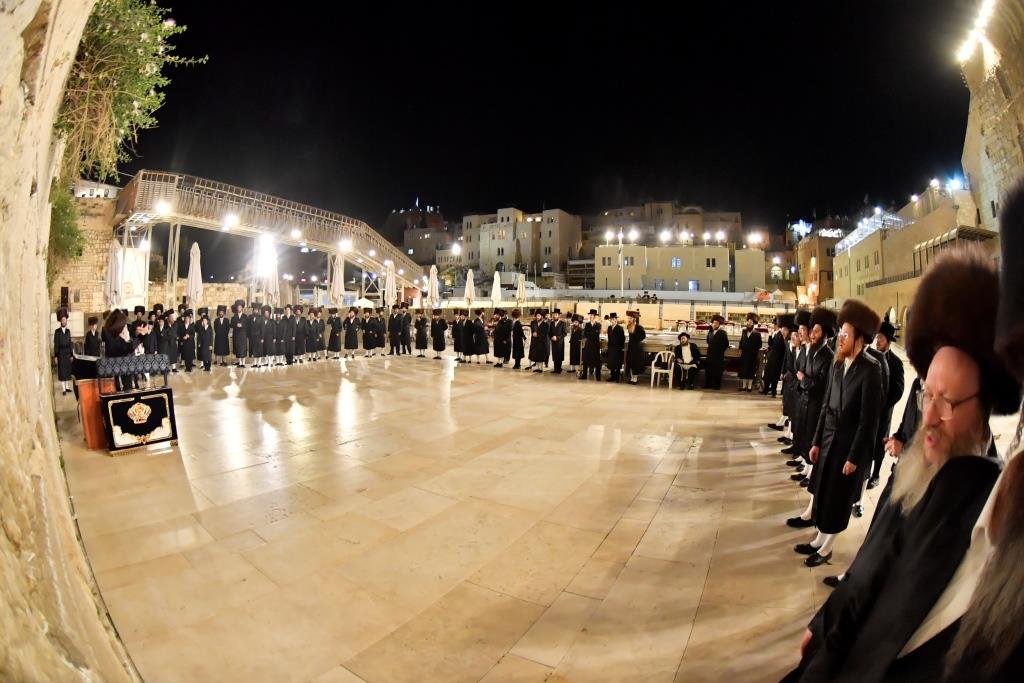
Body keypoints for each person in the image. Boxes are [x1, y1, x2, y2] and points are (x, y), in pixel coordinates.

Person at [789, 247, 1021, 682]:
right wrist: (824, 624)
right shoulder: (917, 471)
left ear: (984, 409)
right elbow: (872, 561)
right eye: (926, 396)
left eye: (947, 402)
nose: (929, 416)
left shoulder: (987, 503)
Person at [793, 299, 883, 568]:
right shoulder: (837, 363)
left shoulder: (871, 369)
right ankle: (819, 538)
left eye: (845, 334)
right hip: (829, 439)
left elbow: (869, 422)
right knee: (823, 492)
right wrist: (817, 441)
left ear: (859, 339)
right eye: (840, 333)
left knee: (837, 499)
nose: (840, 338)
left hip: (847, 445)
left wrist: (854, 458)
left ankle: (827, 548)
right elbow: (824, 408)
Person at [786, 307, 836, 511]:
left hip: (816, 404)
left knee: (812, 438)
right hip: (805, 401)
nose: (812, 333)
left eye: (815, 330)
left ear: (824, 333)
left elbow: (818, 383)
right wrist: (804, 380)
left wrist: (804, 380)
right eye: (812, 330)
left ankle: (809, 471)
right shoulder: (813, 352)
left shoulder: (827, 355)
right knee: (803, 434)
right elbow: (802, 373)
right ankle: (806, 468)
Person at [865, 320, 905, 490]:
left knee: (880, 442)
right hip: (870, 409)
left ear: (888, 341)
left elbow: (899, 389)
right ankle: (866, 471)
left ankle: (876, 474)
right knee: (868, 440)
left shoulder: (896, 362)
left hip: (884, 411)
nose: (877, 341)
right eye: (877, 337)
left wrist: (883, 404)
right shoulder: (872, 356)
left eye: (880, 338)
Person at [782, 310, 812, 456]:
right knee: (796, 420)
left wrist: (802, 380)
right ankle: (796, 447)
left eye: (802, 329)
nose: (799, 333)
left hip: (806, 394)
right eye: (798, 330)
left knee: (804, 427)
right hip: (798, 390)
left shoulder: (812, 350)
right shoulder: (803, 349)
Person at [737, 312, 763, 392]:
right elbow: (741, 341)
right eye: (748, 321)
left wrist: (753, 350)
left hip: (752, 355)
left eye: (751, 322)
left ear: (753, 324)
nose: (749, 323)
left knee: (751, 370)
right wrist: (740, 349)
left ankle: (749, 387)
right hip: (744, 354)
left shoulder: (757, 334)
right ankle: (744, 386)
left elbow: (759, 344)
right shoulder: (744, 331)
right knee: (744, 370)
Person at [704, 314, 728, 389]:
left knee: (717, 371)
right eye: (713, 323)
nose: (714, 324)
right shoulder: (710, 332)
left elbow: (726, 344)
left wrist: (719, 350)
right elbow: (708, 341)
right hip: (710, 354)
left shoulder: (723, 333)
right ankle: (707, 385)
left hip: (718, 355)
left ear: (719, 324)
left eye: (716, 323)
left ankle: (716, 386)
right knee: (708, 370)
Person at [53, 309, 74, 394]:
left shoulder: (68, 331)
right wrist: (56, 356)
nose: (64, 321)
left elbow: (70, 343)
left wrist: (71, 354)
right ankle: (63, 389)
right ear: (60, 321)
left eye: (65, 319)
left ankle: (68, 387)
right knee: (62, 371)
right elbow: (56, 344)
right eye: (62, 320)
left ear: (66, 321)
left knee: (67, 371)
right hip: (61, 354)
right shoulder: (57, 332)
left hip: (67, 353)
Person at [625, 310, 646, 385]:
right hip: (631, 346)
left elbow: (643, 336)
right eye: (629, 318)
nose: (629, 319)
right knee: (630, 362)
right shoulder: (628, 326)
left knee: (636, 363)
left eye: (630, 318)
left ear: (634, 319)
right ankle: (631, 377)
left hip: (637, 347)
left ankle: (635, 378)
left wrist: (636, 339)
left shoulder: (640, 327)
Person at [581, 309, 602, 381]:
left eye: (592, 315)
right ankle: (584, 375)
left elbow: (596, 334)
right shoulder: (587, 324)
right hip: (588, 345)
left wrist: (591, 334)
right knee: (585, 359)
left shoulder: (598, 325)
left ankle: (598, 376)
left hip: (595, 345)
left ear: (595, 316)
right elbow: (585, 334)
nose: (591, 316)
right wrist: (592, 333)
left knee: (597, 361)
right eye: (590, 315)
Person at [606, 312, 625, 382]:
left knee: (617, 364)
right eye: (611, 319)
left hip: (617, 348)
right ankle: (612, 376)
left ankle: (617, 377)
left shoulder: (620, 328)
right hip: (611, 348)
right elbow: (609, 337)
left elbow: (623, 339)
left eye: (614, 319)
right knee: (611, 363)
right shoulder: (609, 328)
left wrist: (619, 347)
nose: (612, 320)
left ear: (616, 320)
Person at [230, 300, 248, 368]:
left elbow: (247, 325)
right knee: (238, 348)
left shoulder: (245, 316)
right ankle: (240, 362)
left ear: (242, 308)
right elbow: (231, 325)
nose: (239, 308)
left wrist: (242, 325)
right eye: (238, 307)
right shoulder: (234, 317)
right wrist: (236, 324)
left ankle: (243, 363)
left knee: (243, 348)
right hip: (236, 334)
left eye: (240, 307)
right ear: (237, 308)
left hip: (243, 334)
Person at [549, 309, 566, 374]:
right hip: (553, 342)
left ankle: (559, 369)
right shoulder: (552, 323)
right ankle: (555, 369)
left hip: (560, 342)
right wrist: (551, 337)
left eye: (556, 315)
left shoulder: (562, 323)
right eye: (554, 315)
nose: (554, 316)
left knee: (559, 355)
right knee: (555, 355)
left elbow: (564, 333)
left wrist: (557, 337)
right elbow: (550, 332)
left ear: (559, 315)